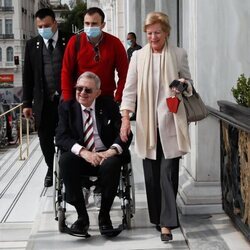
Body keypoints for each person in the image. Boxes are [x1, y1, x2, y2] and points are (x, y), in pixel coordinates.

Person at [120, 12, 193, 242]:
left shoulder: (178, 53)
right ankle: (158, 217)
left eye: (157, 32)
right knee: (151, 176)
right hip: (147, 125)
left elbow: (190, 85)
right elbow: (129, 90)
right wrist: (125, 118)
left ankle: (166, 224)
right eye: (149, 33)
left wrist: (183, 85)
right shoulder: (138, 56)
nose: (153, 37)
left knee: (167, 173)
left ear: (167, 32)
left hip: (171, 121)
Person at [56, 71, 132, 237]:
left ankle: (104, 217)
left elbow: (125, 134)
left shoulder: (109, 106)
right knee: (66, 161)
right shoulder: (67, 108)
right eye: (79, 88)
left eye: (88, 90)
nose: (82, 92)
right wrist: (84, 152)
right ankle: (82, 217)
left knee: (113, 163)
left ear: (98, 92)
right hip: (80, 158)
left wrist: (111, 151)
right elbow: (61, 137)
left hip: (105, 156)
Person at [22, 8, 71, 187]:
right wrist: (26, 103)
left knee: (68, 135)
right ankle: (51, 168)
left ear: (55, 24)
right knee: (44, 138)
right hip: (44, 102)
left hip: (67, 100)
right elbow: (27, 76)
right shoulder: (32, 45)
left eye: (47, 25)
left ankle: (68, 169)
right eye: (40, 26)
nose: (43, 29)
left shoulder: (70, 39)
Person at [61, 7, 128, 103]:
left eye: (94, 24)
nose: (90, 27)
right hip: (80, 99)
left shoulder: (115, 43)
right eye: (87, 23)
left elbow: (124, 73)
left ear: (103, 25)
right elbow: (66, 71)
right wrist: (67, 99)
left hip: (105, 98)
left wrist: (118, 97)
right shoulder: (74, 42)